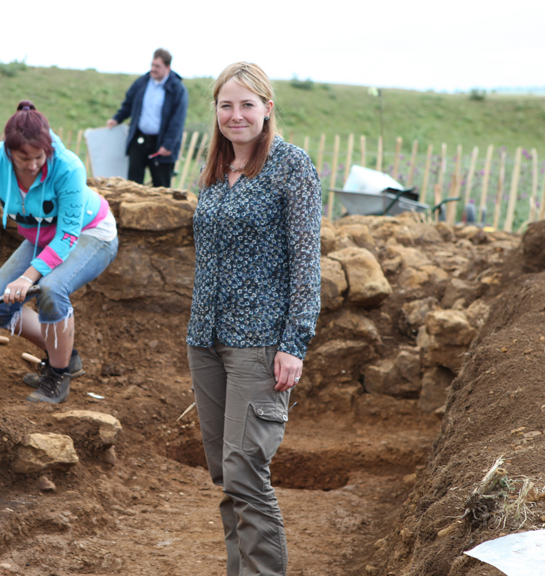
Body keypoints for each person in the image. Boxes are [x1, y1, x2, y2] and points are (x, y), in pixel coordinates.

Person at [186, 62, 321, 576]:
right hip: (206, 339)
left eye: (247, 104)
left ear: (267, 108)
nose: (236, 115)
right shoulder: (216, 170)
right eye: (226, 105)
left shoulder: (291, 166)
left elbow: (306, 261)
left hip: (260, 342)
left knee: (246, 471)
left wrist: (294, 343)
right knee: (228, 474)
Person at [0, 101, 118, 404]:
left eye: (39, 157)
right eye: (23, 158)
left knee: (51, 289)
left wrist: (27, 278)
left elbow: (67, 236)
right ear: (8, 151)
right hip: (43, 238)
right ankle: (65, 354)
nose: (32, 165)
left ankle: (58, 375)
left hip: (91, 232)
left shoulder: (68, 167)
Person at [106, 48, 188, 188]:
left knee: (161, 187)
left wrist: (168, 145)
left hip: (161, 144)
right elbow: (128, 104)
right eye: (152, 65)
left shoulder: (177, 89)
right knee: (133, 185)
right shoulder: (141, 82)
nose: (153, 69)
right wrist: (117, 118)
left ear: (167, 67)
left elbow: (177, 120)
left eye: (158, 66)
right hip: (139, 139)